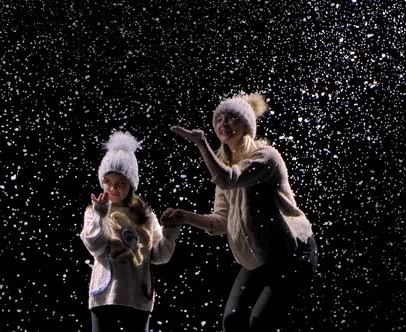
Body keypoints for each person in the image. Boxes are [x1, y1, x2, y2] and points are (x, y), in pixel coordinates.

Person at [162, 93, 318, 331]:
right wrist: (185, 216)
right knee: (232, 320)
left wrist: (201, 143)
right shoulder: (224, 169)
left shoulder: (266, 157)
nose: (223, 124)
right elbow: (220, 222)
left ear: (246, 125)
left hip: (291, 253)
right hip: (258, 257)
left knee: (261, 321)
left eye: (231, 118)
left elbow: (229, 180)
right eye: (219, 119)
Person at [80, 131, 180, 332]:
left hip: (137, 298)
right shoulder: (95, 210)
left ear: (131, 184)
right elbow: (95, 247)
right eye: (108, 181)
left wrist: (170, 231)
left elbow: (160, 256)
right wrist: (101, 215)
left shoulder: (145, 214)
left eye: (121, 182)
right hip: (105, 297)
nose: (113, 188)